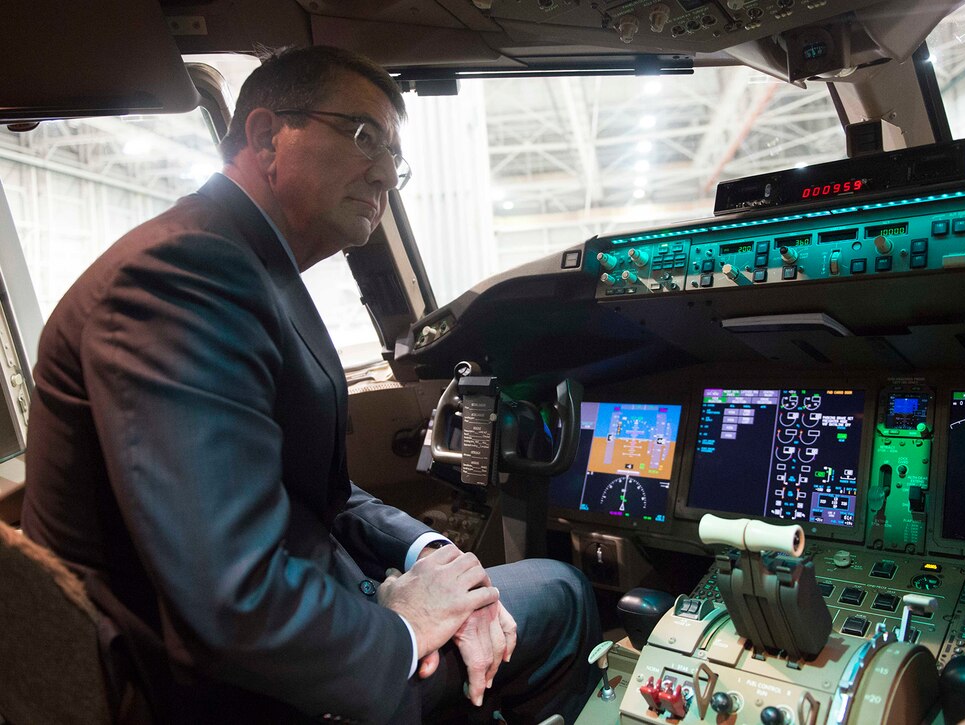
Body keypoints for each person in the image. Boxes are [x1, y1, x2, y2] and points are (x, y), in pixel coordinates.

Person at [20, 45, 600, 724]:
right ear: (267, 135)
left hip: (263, 637)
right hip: (199, 686)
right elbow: (232, 602)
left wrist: (431, 553)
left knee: (482, 608)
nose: (386, 172)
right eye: (365, 136)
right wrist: (408, 625)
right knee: (560, 589)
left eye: (395, 155)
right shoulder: (184, 276)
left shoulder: (243, 263)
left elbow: (313, 489)